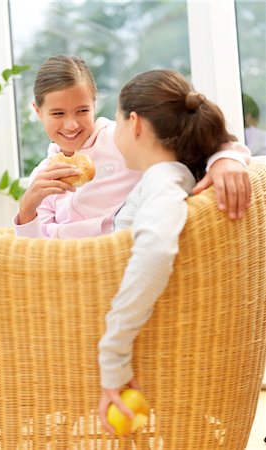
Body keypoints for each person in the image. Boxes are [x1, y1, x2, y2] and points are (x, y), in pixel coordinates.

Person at [0, 55, 251, 446]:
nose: (71, 124)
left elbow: (197, 135)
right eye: (58, 113)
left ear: (109, 112)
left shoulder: (131, 148)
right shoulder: (46, 172)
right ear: (37, 112)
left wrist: (228, 157)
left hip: (66, 293)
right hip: (47, 275)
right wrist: (28, 207)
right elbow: (34, 252)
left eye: (82, 110)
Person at [97, 69, 251, 434]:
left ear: (134, 124)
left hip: (85, 317)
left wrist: (113, 358)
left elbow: (154, 252)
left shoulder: (163, 180)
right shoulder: (179, 172)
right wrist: (227, 154)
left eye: (116, 120)